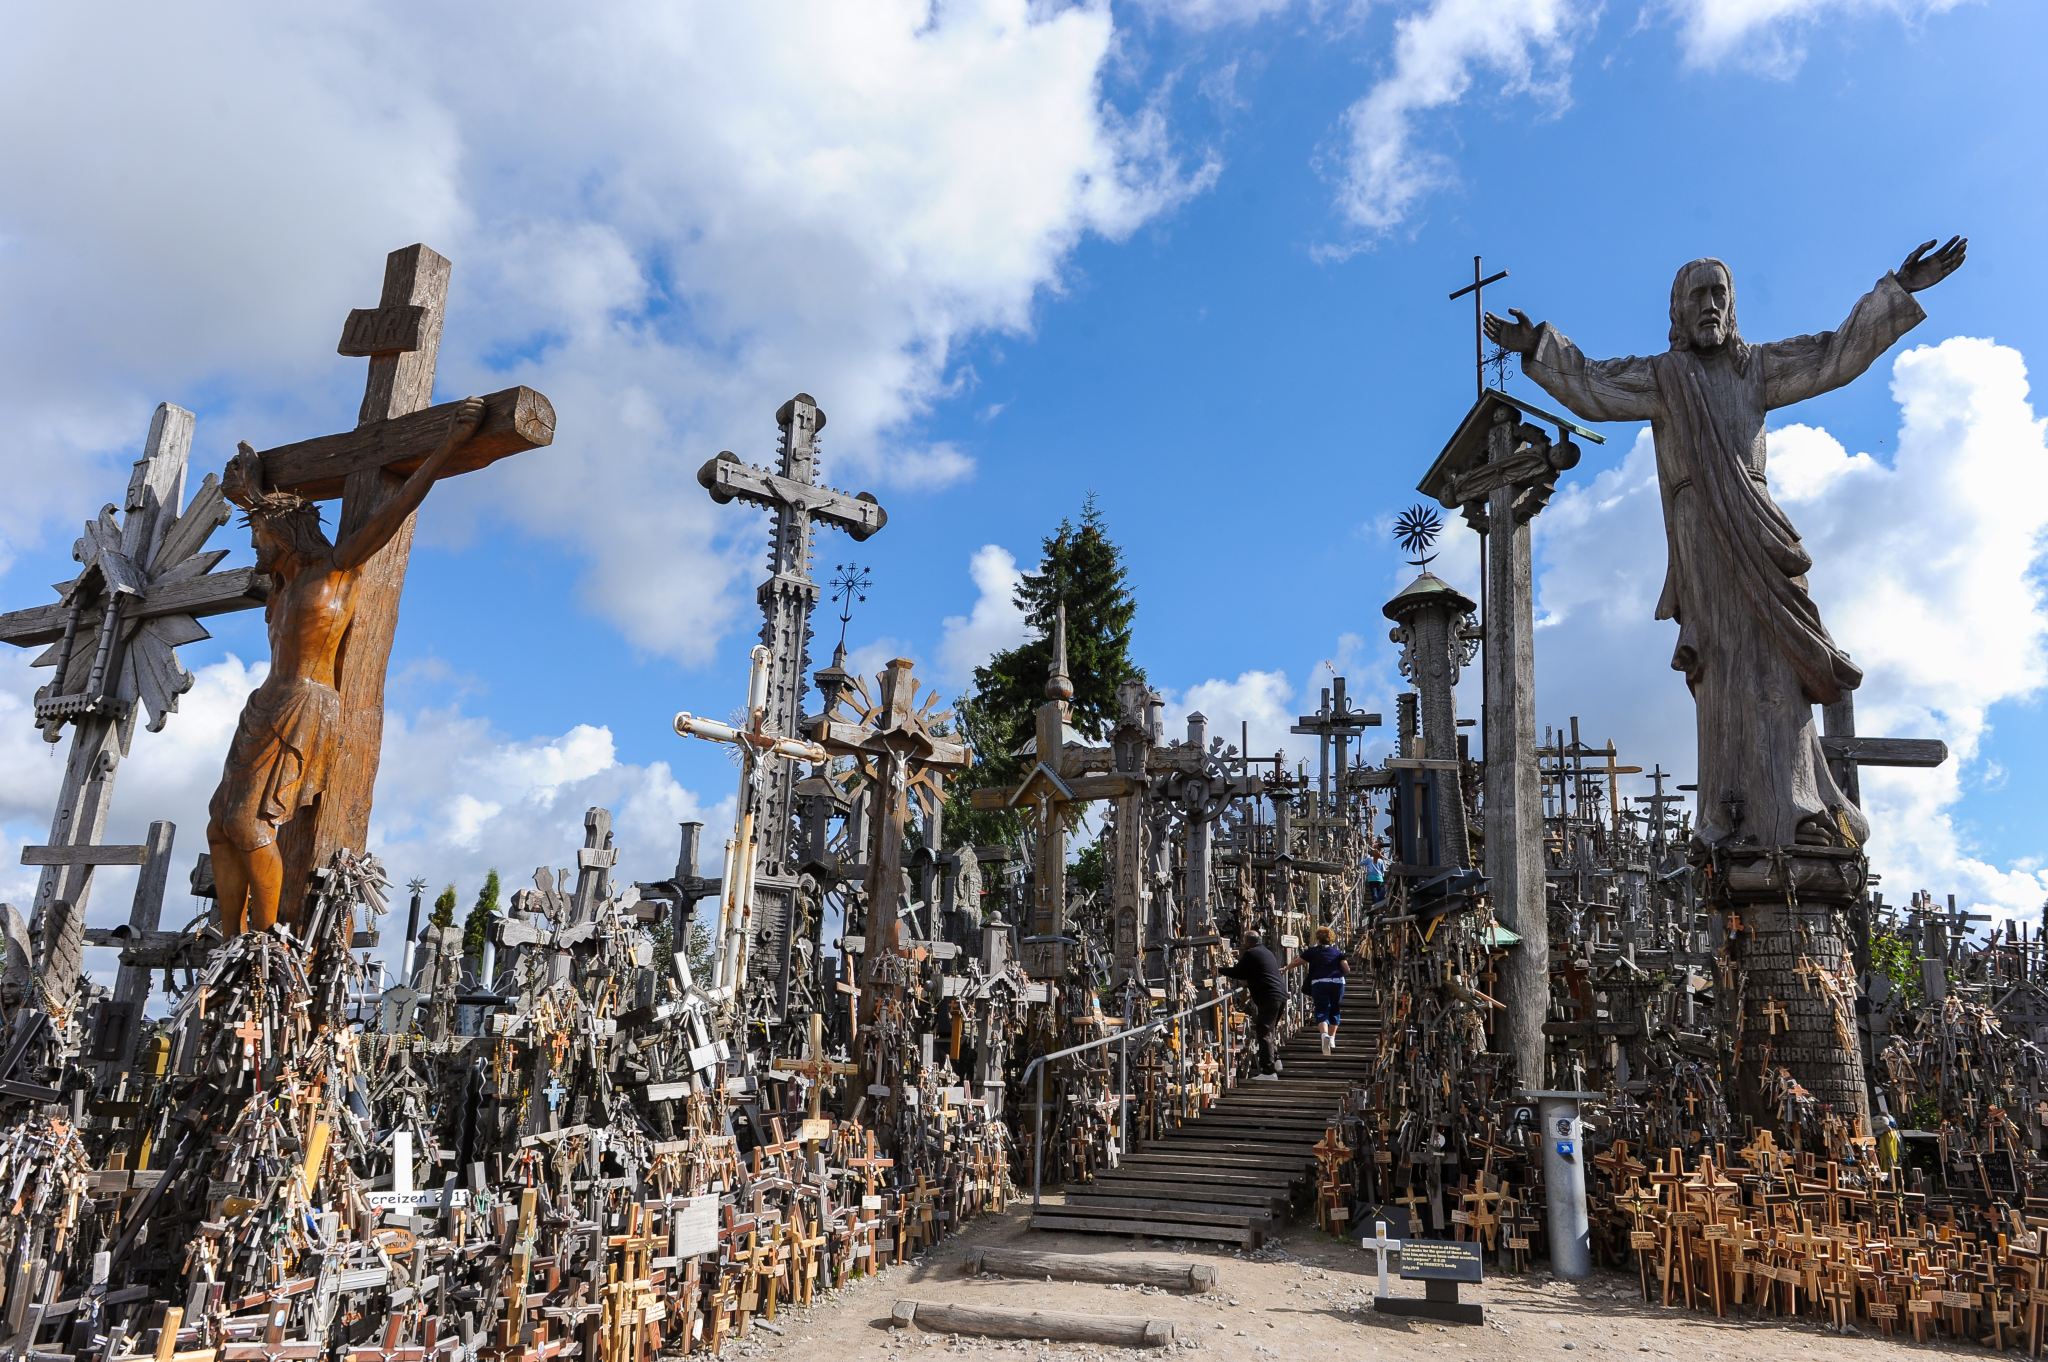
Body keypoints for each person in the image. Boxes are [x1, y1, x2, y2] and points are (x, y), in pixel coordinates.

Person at [1222, 929, 1287, 1077]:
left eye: (1244, 941)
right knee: (1269, 1030)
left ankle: (1268, 1072)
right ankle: (1276, 1060)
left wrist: (1220, 970)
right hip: (1280, 995)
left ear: (1248, 942)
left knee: (1263, 1032)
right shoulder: (1266, 951)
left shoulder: (1251, 954)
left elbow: (1239, 972)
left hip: (1269, 997)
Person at [1291, 925, 1349, 1055]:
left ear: (1318, 939)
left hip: (1319, 982)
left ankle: (1324, 1035)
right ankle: (1332, 1039)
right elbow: (1347, 969)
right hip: (1337, 983)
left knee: (1322, 1009)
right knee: (1335, 1008)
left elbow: (1297, 962)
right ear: (1331, 939)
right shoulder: (1338, 953)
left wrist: (1285, 968)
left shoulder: (1313, 951)